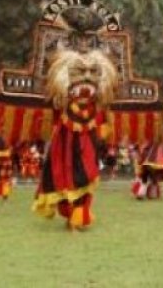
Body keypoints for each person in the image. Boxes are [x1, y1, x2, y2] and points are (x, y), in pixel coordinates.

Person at [32, 47, 118, 230]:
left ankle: (80, 214)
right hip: (64, 148)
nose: (86, 78)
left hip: (88, 146)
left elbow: (105, 121)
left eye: (91, 72)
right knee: (65, 181)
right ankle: (72, 214)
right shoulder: (62, 104)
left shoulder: (98, 107)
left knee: (86, 179)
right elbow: (51, 108)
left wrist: (106, 139)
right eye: (80, 72)